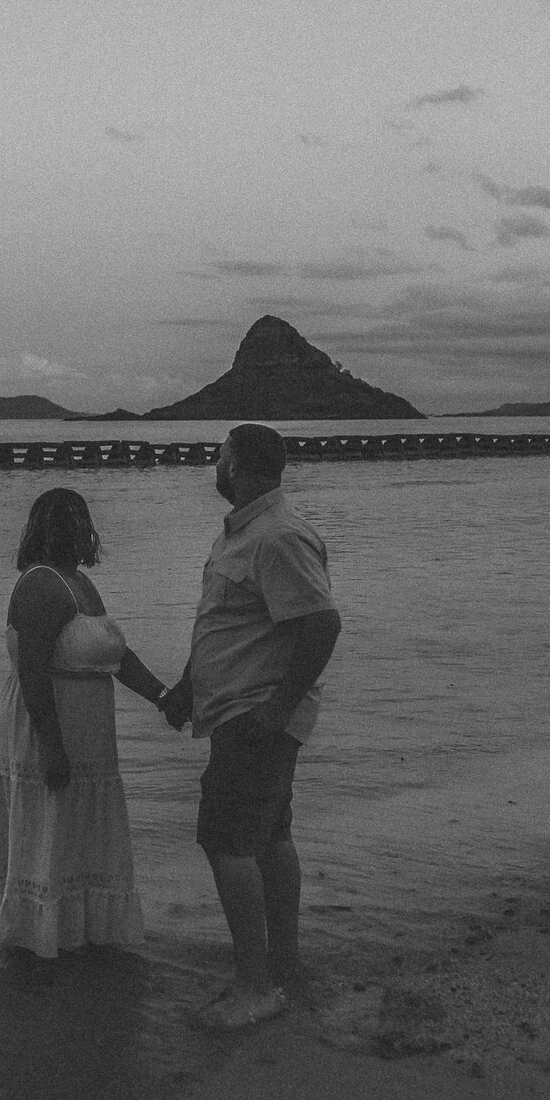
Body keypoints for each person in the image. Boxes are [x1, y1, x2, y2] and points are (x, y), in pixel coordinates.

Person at [162, 424, 341, 1029]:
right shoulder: (246, 533)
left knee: (226, 841)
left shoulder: (276, 536)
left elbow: (321, 625)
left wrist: (276, 709)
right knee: (268, 838)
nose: (214, 467)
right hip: (238, 707)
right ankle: (282, 967)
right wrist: (188, 685)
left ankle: (253, 987)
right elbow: (226, 622)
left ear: (237, 465)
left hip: (255, 713)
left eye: (218, 457)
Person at [0, 487, 171, 958]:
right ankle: (33, 941)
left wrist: (163, 697)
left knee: (76, 834)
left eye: (80, 521)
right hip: (45, 729)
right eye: (66, 523)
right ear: (45, 531)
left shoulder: (80, 584)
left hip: (87, 735)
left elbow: (115, 654)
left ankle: (75, 932)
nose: (76, 532)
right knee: (48, 831)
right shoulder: (39, 584)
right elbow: (34, 673)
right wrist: (53, 748)